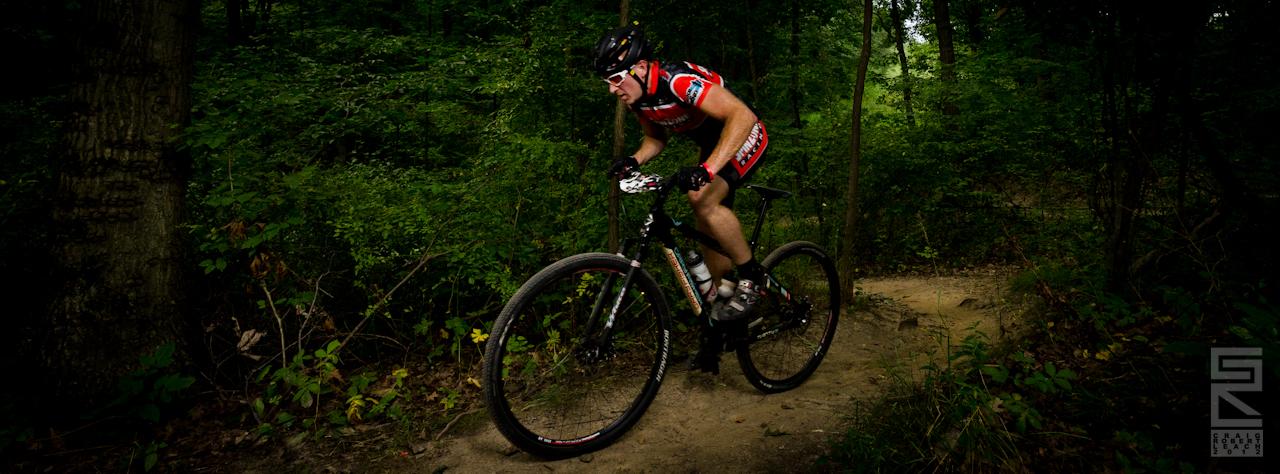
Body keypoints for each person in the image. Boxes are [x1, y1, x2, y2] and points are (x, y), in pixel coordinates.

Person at [593, 25, 769, 373]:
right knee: (705, 221)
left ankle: (752, 277)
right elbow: (655, 139)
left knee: (700, 197)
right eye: (607, 83)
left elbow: (742, 116)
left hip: (743, 133)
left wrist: (707, 169)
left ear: (640, 67)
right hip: (714, 146)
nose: (613, 89)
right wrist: (634, 160)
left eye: (616, 78)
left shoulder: (677, 80)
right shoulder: (639, 98)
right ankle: (723, 314)